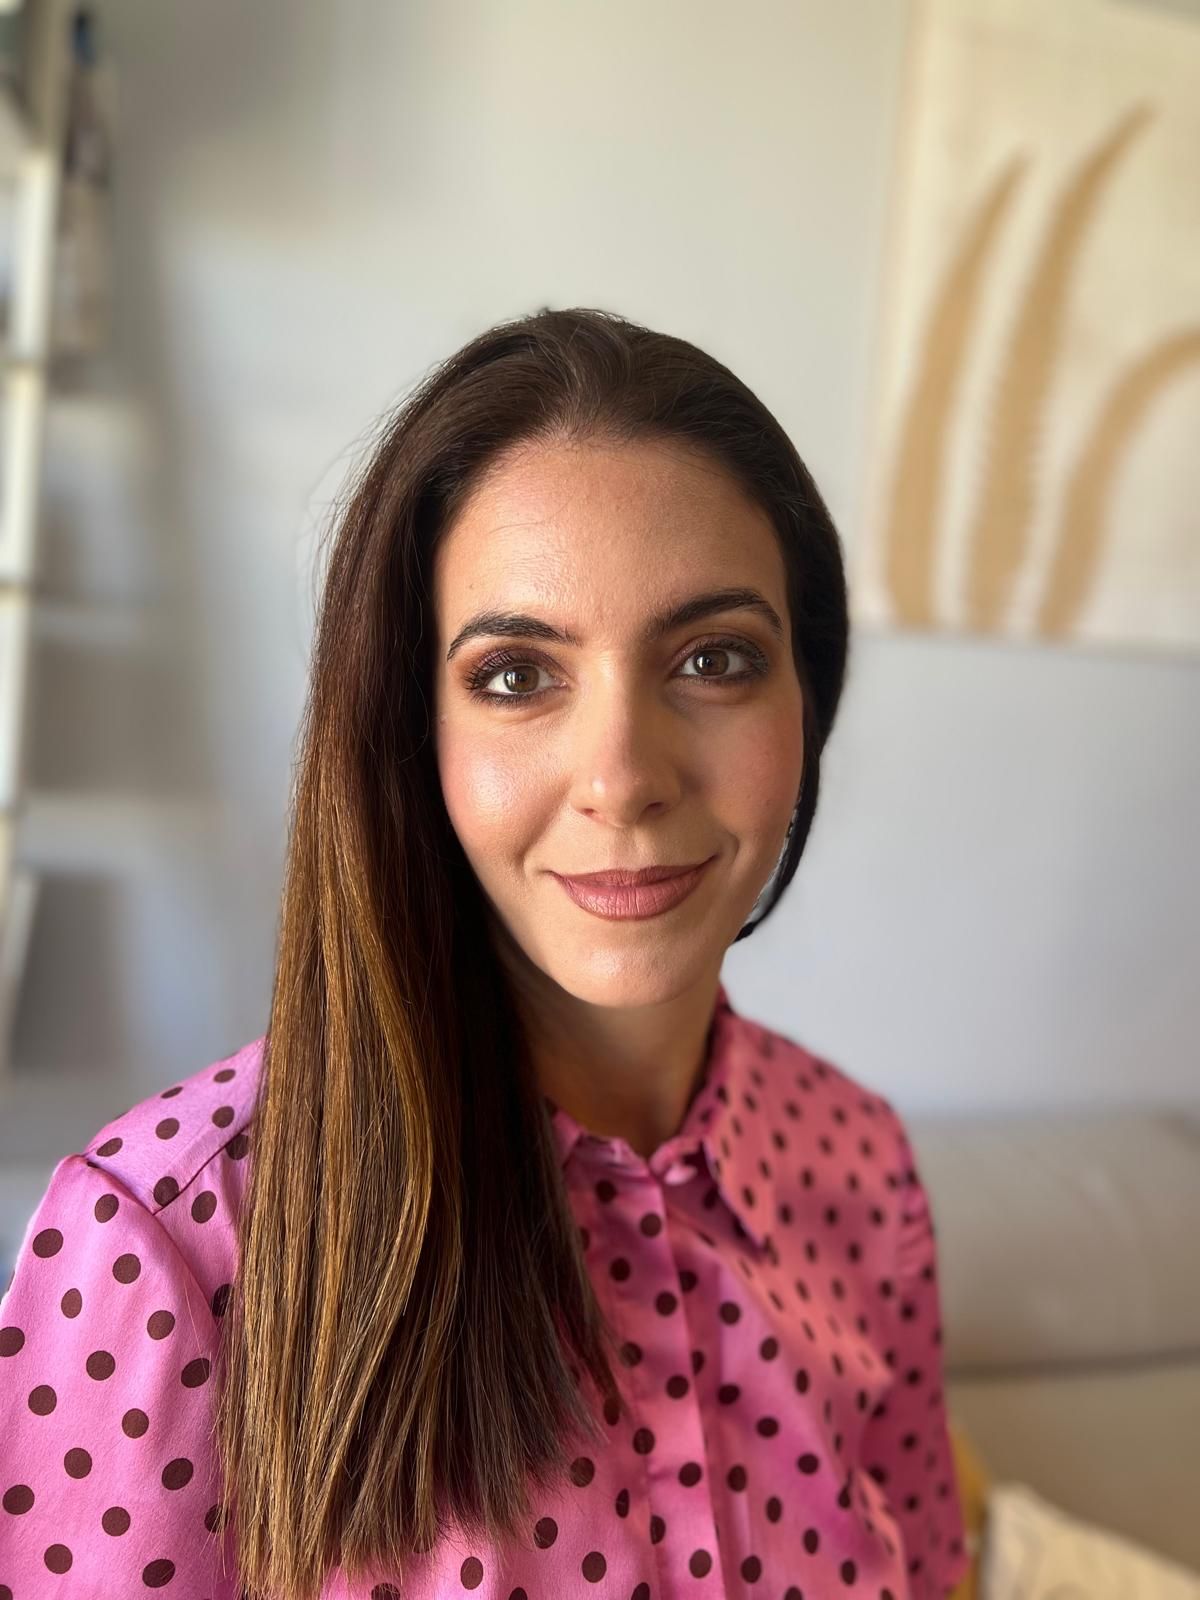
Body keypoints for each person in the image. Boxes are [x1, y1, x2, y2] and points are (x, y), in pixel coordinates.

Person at [0, 307, 970, 1599]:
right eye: (516, 676)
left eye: (714, 659)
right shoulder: (169, 1241)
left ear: (811, 701)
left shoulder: (864, 1166)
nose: (622, 778)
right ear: (414, 732)